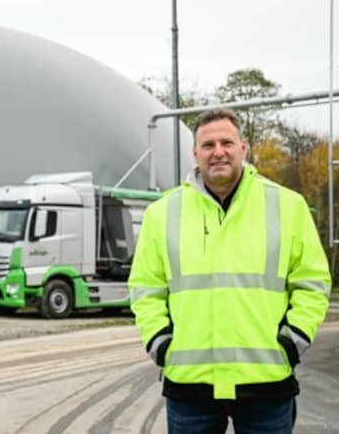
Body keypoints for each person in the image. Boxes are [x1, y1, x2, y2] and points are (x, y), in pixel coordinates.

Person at [128, 108, 332, 434]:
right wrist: (159, 342)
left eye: (226, 142)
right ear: (195, 153)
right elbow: (145, 287)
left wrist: (294, 340)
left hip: (266, 382)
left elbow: (312, 281)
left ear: (244, 148)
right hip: (190, 385)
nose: (218, 152)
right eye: (208, 145)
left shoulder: (288, 206)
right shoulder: (162, 213)